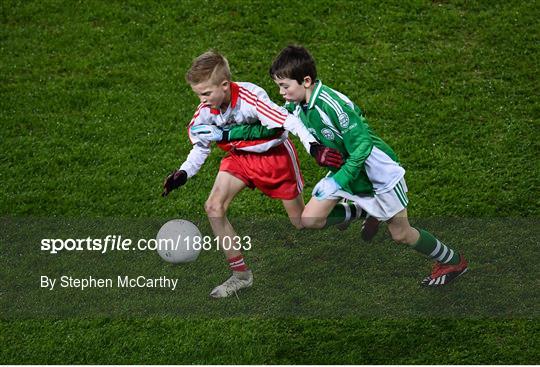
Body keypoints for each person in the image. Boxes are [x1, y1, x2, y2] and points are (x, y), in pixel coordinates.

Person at [214, 45, 468, 287]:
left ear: (305, 81)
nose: (281, 93)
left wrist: (338, 180)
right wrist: (227, 134)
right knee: (309, 219)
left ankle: (453, 262)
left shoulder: (331, 105)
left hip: (375, 174)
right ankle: (364, 212)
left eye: (284, 86)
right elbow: (271, 125)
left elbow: (363, 146)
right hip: (345, 170)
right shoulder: (296, 105)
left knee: (401, 234)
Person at [162, 50, 343, 298]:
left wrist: (313, 146)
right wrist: (183, 173)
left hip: (274, 159)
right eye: (198, 95)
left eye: (206, 93)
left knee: (301, 222)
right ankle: (241, 276)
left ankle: (351, 211)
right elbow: (200, 147)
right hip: (239, 159)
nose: (202, 100)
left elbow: (288, 121)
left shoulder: (251, 97)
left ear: (224, 86)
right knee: (214, 207)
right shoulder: (205, 111)